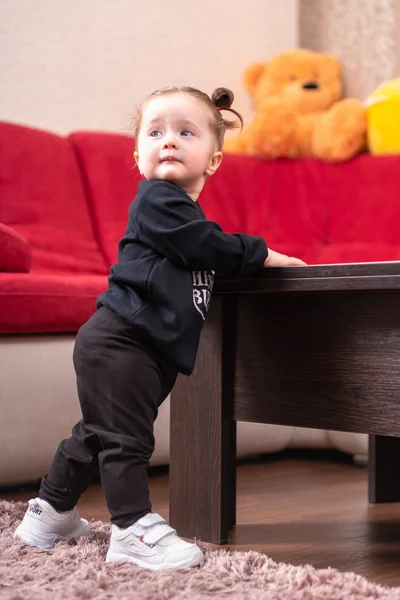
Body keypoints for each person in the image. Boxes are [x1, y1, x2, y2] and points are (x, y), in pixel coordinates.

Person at [14, 85, 306, 570]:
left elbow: (201, 253)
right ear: (138, 157)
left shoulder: (184, 214)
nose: (168, 140)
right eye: (156, 132)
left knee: (98, 434)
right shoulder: (159, 202)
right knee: (127, 441)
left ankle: (49, 514)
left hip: (138, 348)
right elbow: (204, 244)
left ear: (213, 160)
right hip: (120, 340)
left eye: (185, 131)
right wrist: (262, 253)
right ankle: (132, 529)